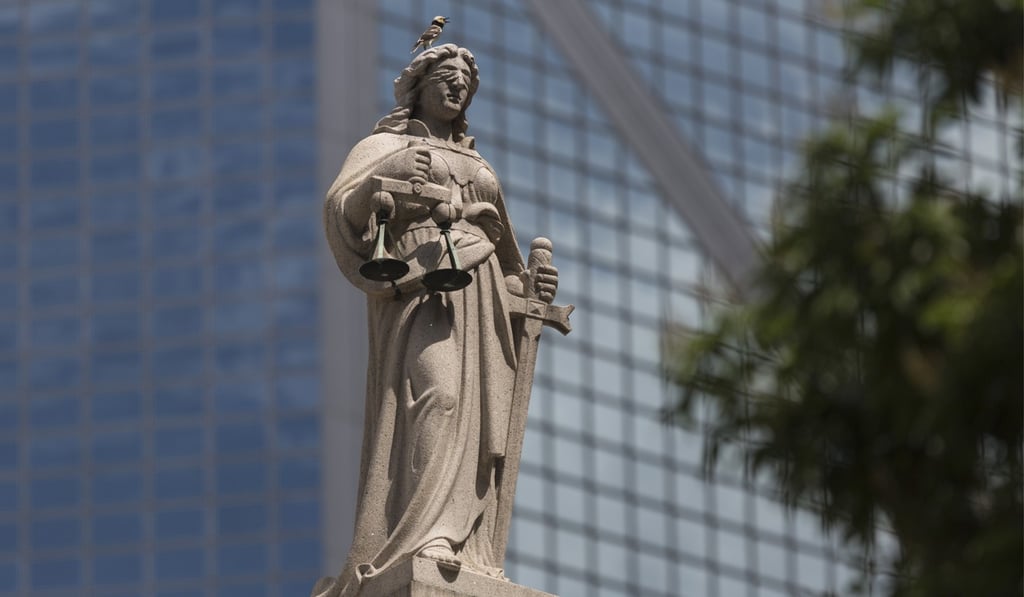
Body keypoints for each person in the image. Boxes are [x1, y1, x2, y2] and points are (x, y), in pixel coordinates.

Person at [316, 44, 557, 597]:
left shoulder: (480, 166)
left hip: (482, 296)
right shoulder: (384, 145)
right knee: (439, 395)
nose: (458, 88)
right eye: (447, 77)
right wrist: (390, 175)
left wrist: (531, 286)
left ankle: (462, 541)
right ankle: (421, 536)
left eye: (466, 82)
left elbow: (509, 259)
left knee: (474, 423)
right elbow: (344, 210)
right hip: (422, 286)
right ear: (418, 85)